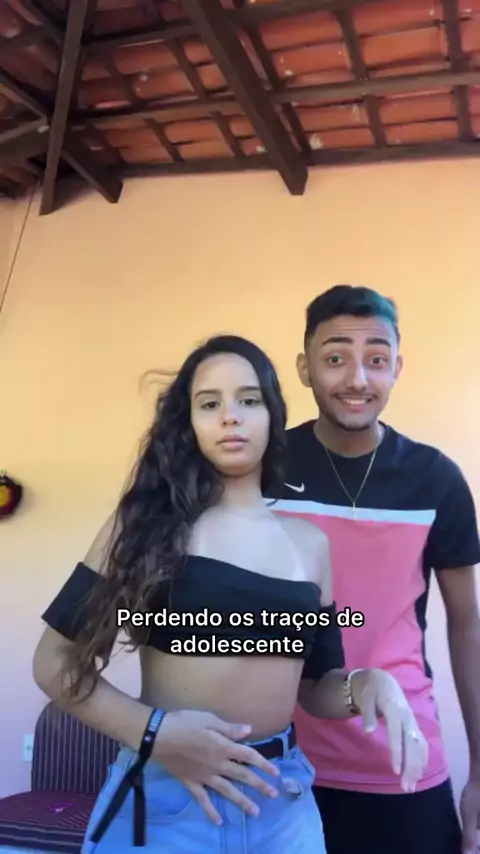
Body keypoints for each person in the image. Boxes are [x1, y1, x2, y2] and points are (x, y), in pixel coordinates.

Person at [32, 334, 427, 854]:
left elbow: (316, 687)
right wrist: (154, 734)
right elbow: (53, 661)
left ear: (272, 415)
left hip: (281, 802)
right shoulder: (145, 525)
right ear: (190, 424)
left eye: (248, 399)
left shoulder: (310, 546)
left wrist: (369, 684)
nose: (230, 416)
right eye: (209, 404)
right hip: (165, 798)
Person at [267, 285, 480, 854]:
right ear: (305, 368)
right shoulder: (264, 469)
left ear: (396, 369)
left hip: (402, 760)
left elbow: (468, 627)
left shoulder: (436, 479)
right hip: (277, 762)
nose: (358, 378)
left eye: (377, 359)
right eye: (336, 357)